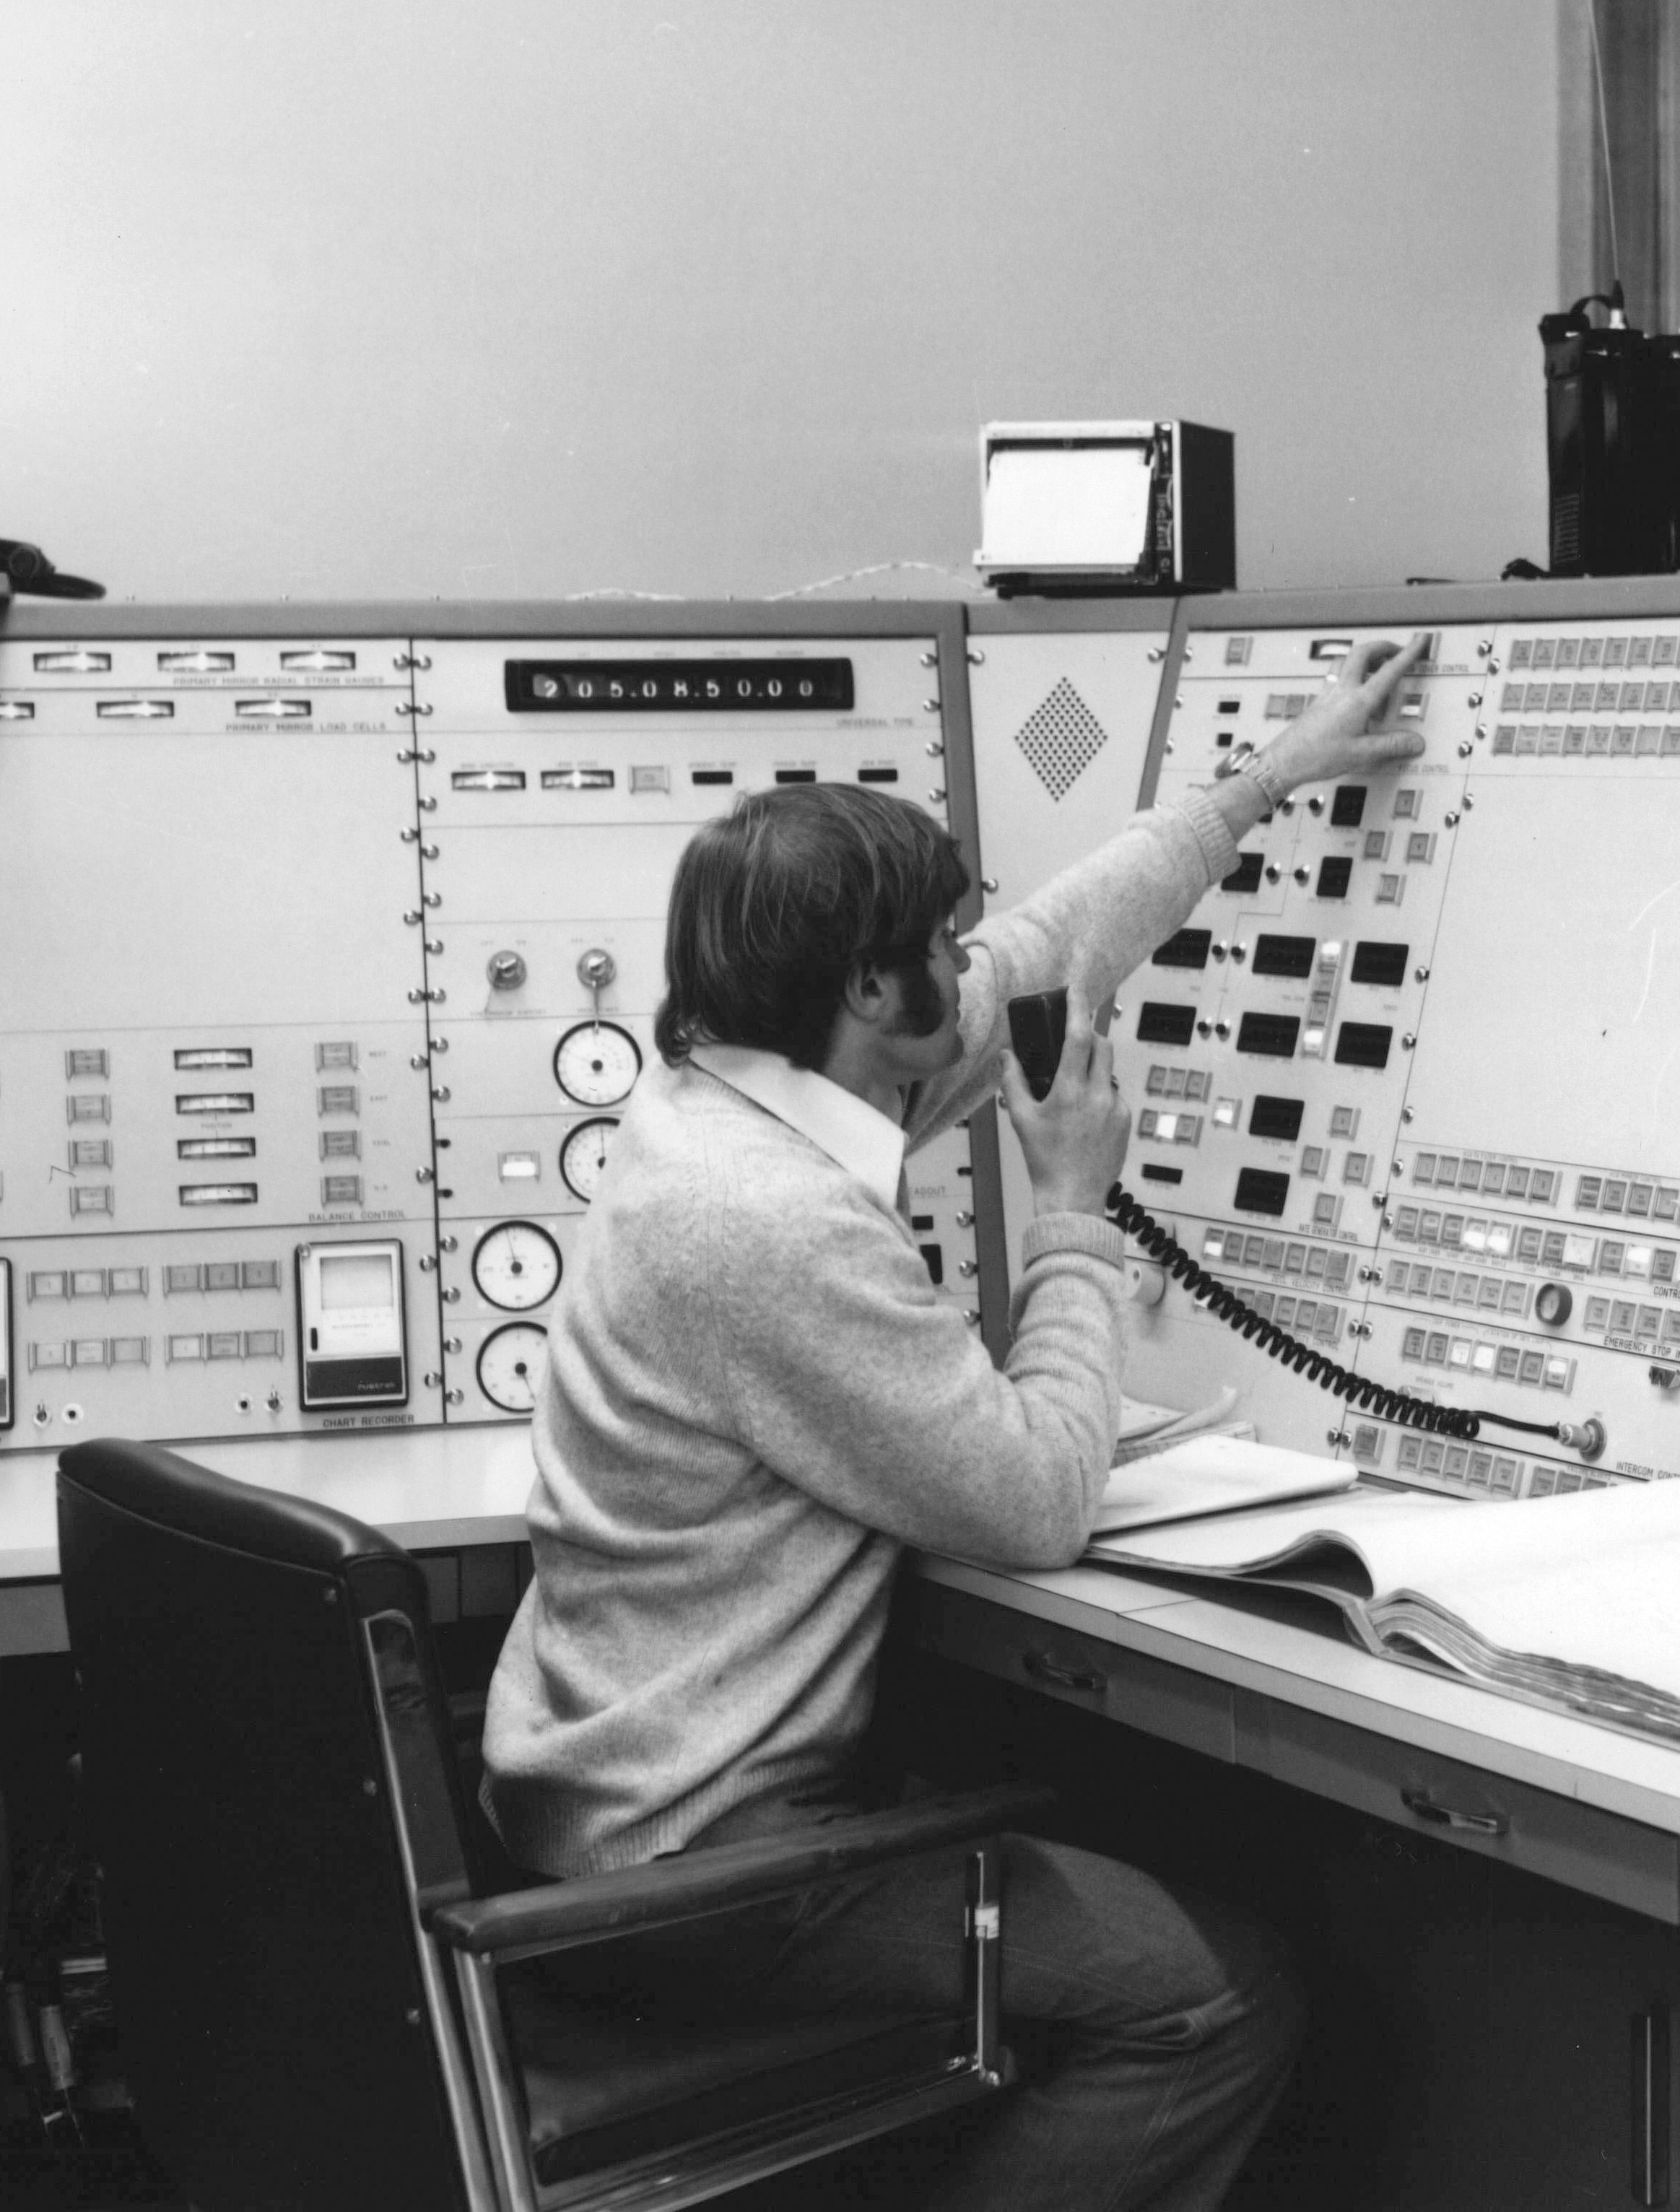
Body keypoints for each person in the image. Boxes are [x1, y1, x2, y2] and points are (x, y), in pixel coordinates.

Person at [481, 634, 1432, 2211]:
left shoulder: (723, 1096)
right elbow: (1037, 1500)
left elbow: (1046, 951)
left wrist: (1268, 779)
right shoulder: (772, 1219)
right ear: (869, 988)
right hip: (711, 1873)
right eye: (939, 939)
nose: (966, 958)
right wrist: (1072, 1212)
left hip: (611, 1805)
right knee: (1217, 1993)